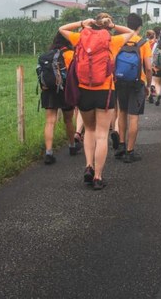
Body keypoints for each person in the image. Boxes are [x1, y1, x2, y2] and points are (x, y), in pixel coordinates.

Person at [59, 14, 134, 190]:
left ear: (92, 26)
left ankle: (88, 166)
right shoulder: (112, 41)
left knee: (89, 130)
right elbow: (131, 32)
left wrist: (82, 23)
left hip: (84, 91)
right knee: (102, 134)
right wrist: (114, 25)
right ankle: (98, 177)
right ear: (106, 27)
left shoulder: (80, 39)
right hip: (105, 92)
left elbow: (61, 29)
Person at [114, 13, 152, 163]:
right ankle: (130, 151)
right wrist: (148, 85)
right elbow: (148, 68)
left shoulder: (119, 40)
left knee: (122, 112)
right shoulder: (143, 42)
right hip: (137, 83)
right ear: (139, 27)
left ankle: (121, 145)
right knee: (133, 116)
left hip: (120, 81)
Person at [39, 32, 78, 164]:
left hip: (48, 91)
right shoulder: (70, 54)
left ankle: (49, 152)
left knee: (50, 121)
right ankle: (72, 146)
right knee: (68, 120)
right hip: (65, 90)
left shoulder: (48, 55)